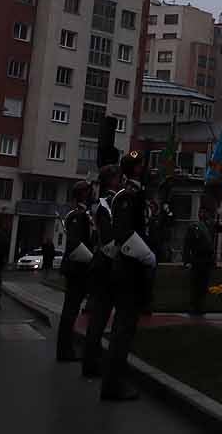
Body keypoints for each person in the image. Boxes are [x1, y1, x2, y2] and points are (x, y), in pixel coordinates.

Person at [101, 150, 156, 403]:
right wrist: (147, 256)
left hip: (130, 269)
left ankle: (115, 382)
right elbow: (124, 233)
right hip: (128, 269)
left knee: (126, 328)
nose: (144, 168)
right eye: (141, 165)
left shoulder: (135, 194)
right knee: (122, 329)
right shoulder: (126, 196)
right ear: (134, 169)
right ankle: (112, 385)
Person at [82, 164, 121, 379]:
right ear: (111, 180)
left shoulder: (102, 201)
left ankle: (91, 360)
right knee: (100, 317)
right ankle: (92, 363)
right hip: (106, 263)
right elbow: (107, 236)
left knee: (99, 316)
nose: (120, 179)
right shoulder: (107, 202)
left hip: (101, 262)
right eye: (117, 177)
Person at [57, 181, 95, 362]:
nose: (92, 194)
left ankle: (66, 349)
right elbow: (75, 244)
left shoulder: (82, 214)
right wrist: (92, 260)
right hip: (76, 269)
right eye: (89, 191)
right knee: (70, 311)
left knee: (71, 310)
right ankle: (65, 351)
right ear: (83, 194)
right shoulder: (76, 215)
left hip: (79, 268)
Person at [182, 207, 217, 316]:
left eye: (205, 212)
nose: (203, 214)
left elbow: (212, 244)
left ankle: (200, 306)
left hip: (207, 259)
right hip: (197, 259)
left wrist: (213, 260)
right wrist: (187, 260)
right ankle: (193, 307)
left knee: (203, 285)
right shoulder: (193, 227)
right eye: (201, 212)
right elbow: (187, 245)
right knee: (195, 285)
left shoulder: (211, 226)